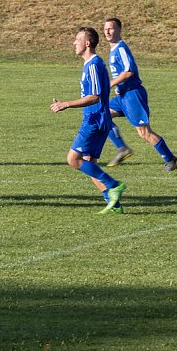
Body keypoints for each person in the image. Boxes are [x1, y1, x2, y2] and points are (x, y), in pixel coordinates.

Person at [50, 27, 127, 214]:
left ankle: (113, 184)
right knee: (88, 163)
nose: (73, 43)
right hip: (97, 118)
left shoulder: (93, 64)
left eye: (77, 39)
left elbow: (94, 96)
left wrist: (66, 104)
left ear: (87, 43)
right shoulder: (92, 64)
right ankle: (114, 203)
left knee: (73, 160)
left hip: (94, 119)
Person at [101, 17, 177, 171]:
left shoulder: (121, 48)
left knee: (144, 132)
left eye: (111, 28)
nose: (108, 32)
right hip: (122, 95)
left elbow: (129, 71)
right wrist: (117, 86)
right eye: (105, 29)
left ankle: (171, 159)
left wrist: (111, 84)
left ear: (119, 30)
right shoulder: (113, 50)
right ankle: (122, 148)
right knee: (101, 114)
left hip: (132, 95)